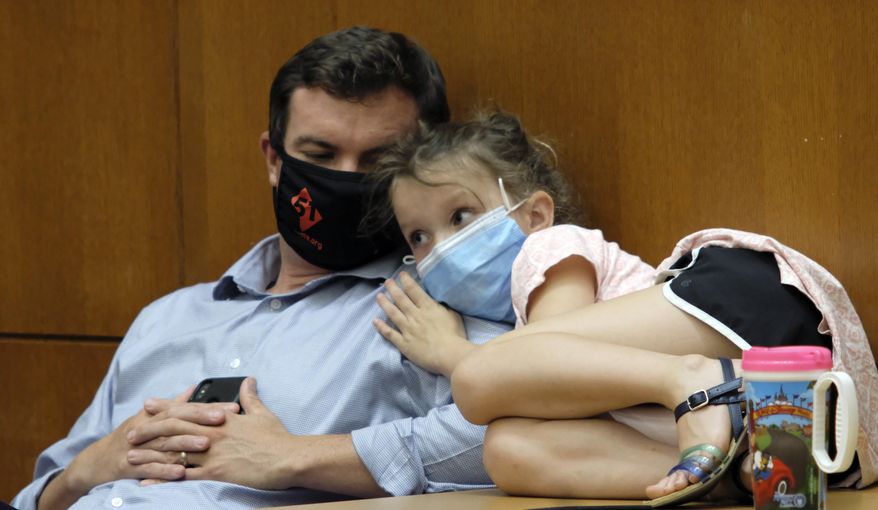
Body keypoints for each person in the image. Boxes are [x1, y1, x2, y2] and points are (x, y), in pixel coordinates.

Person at [12, 27, 511, 510]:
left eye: (379, 160)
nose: (344, 179)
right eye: (319, 154)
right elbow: (38, 493)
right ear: (274, 161)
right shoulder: (165, 317)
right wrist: (87, 470)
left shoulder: (436, 301)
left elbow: (512, 433)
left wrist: (297, 458)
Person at [366, 111, 878, 503]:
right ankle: (741, 476)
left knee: (478, 378)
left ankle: (694, 381)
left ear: (536, 212)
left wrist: (452, 351)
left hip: (741, 306)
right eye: (419, 236)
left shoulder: (548, 248)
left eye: (460, 215)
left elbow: (547, 361)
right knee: (506, 451)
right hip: (782, 406)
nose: (442, 245)